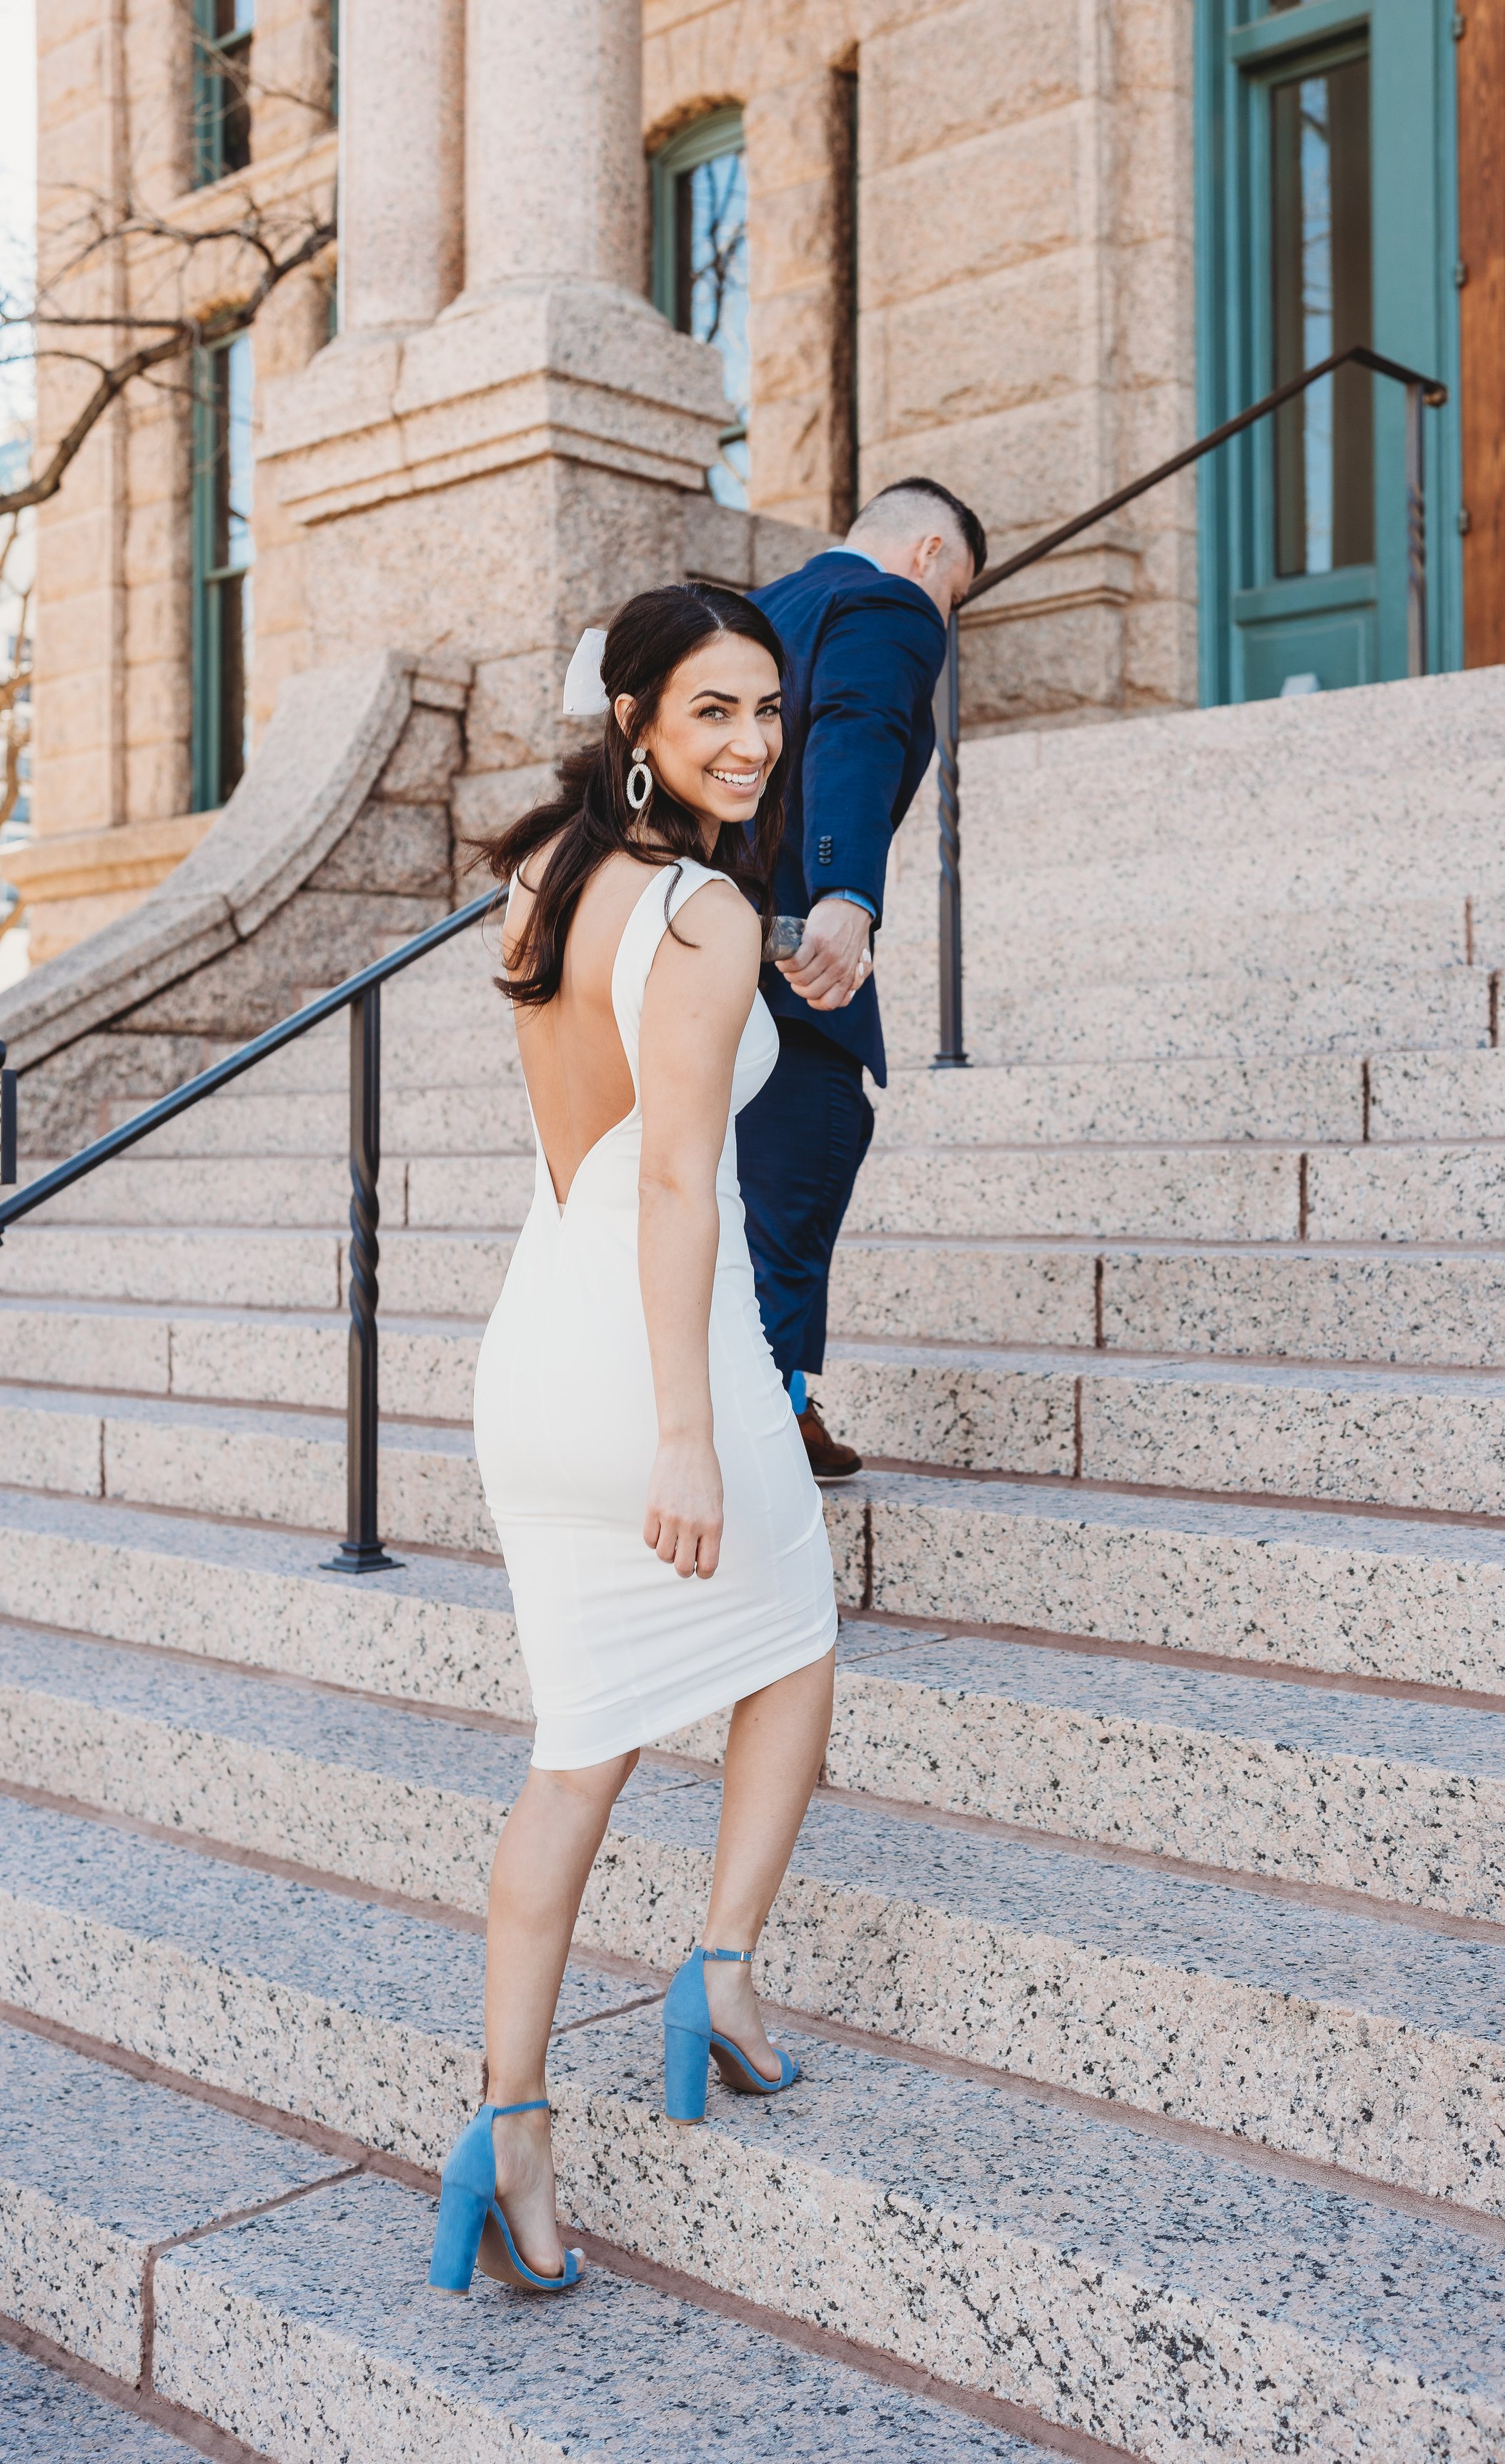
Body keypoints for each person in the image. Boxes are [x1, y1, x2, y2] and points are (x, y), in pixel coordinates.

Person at [429, 584, 838, 2302]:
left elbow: (610, 1095)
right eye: (711, 712)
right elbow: (677, 1176)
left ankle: (506, 2133)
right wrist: (687, 1433)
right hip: (658, 1353)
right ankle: (719, 1976)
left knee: (577, 1745)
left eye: (766, 712)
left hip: (534, 1350)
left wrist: (794, 960)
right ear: (636, 721)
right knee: (797, 1647)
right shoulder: (698, 918)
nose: (747, 742)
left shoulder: (551, 874)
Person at [740, 477, 986, 1478]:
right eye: (958, 592)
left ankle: (785, 1404)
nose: (946, 617)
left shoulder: (760, 611)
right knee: (795, 1190)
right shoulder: (888, 602)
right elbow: (858, 723)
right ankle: (760, 1427)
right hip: (793, 967)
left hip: (716, 951)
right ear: (928, 551)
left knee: (753, 1196)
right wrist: (846, 891)